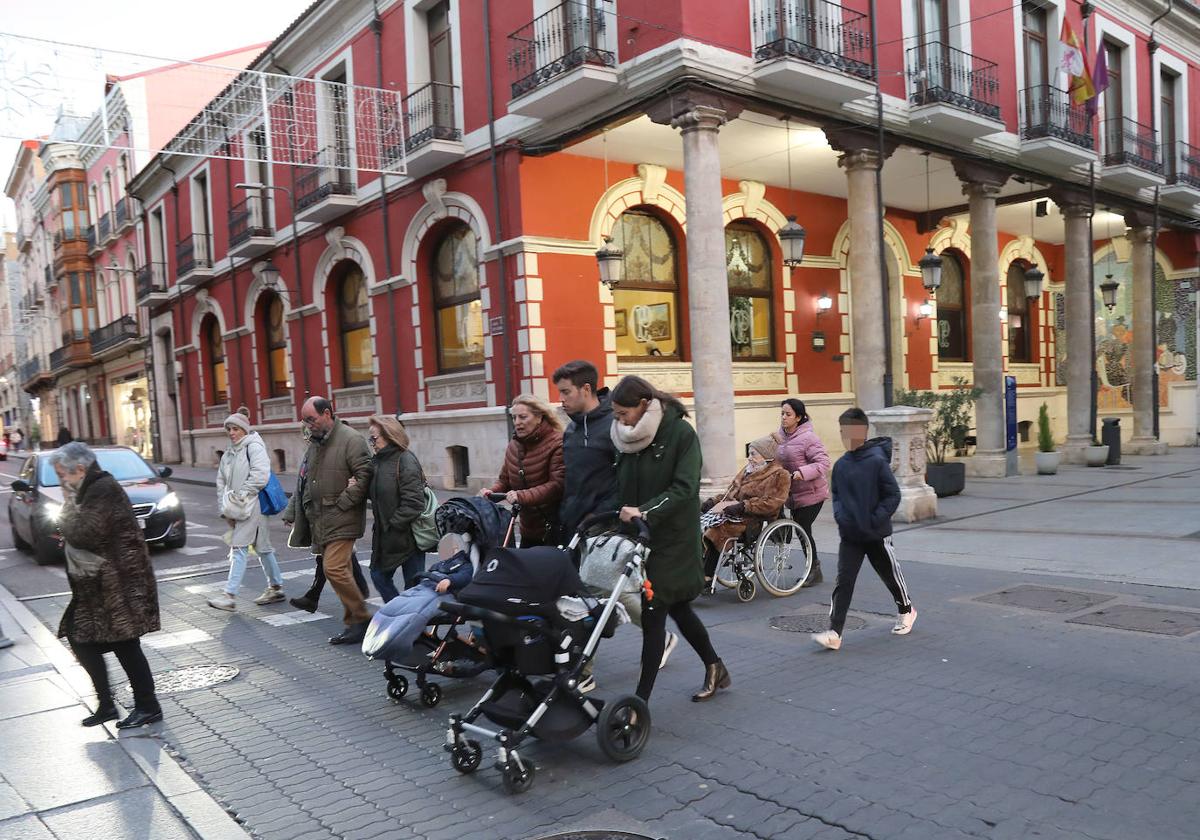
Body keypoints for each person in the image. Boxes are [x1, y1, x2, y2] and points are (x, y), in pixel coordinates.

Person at [610, 375, 728, 703]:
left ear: (644, 405)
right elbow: (617, 486)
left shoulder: (680, 434)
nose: (619, 421)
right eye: (615, 415)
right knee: (678, 609)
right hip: (640, 539)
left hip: (672, 540)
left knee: (653, 617)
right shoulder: (625, 438)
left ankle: (640, 703)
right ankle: (715, 665)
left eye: (624, 414)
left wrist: (644, 511)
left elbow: (685, 488)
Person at [52, 442, 163, 728]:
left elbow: (86, 532)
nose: (61, 480)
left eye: (62, 474)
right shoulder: (87, 489)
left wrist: (65, 510)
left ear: (79, 469)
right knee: (80, 637)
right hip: (98, 583)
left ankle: (148, 706)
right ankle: (107, 705)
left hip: (118, 581)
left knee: (125, 642)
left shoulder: (102, 488)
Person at [812, 408, 916, 652]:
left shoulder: (877, 462)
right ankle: (835, 633)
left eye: (849, 431)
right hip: (850, 536)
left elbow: (892, 495)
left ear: (862, 432)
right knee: (844, 581)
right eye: (842, 432)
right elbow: (836, 495)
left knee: (890, 575)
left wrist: (875, 519)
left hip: (876, 535)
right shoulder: (841, 466)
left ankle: (906, 609)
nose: (845, 436)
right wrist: (840, 516)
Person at [283, 397, 374, 645]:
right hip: (322, 518)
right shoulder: (315, 442)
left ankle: (362, 618)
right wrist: (293, 511)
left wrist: (344, 502)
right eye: (304, 420)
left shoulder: (351, 439)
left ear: (327, 413)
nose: (308, 425)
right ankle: (354, 622)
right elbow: (304, 482)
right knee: (339, 570)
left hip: (343, 517)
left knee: (332, 568)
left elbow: (365, 477)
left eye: (311, 419)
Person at [207, 411, 287, 611]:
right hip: (239, 507)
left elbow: (260, 476)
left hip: (253, 505)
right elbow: (221, 484)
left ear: (244, 429)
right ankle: (276, 586)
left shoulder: (253, 447)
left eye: (235, 429)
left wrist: (241, 496)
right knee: (262, 547)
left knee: (238, 547)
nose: (232, 433)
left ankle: (229, 595)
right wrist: (225, 509)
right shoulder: (228, 454)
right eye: (229, 429)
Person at [701, 435, 791, 581]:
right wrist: (713, 502)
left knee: (717, 530)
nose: (749, 458)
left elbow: (773, 502)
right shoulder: (747, 471)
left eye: (753, 454)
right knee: (700, 524)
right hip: (734, 513)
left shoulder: (780, 475)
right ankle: (698, 570)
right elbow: (729, 494)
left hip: (753, 520)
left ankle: (707, 576)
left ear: (766, 456)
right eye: (749, 454)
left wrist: (744, 506)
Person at [481, 394, 565, 548]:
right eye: (514, 418)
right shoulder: (514, 445)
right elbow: (505, 480)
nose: (517, 423)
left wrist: (521, 496)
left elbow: (557, 485)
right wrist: (490, 493)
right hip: (527, 530)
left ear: (539, 417)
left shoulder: (556, 443)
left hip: (553, 529)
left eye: (523, 417)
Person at [553, 360, 619, 546]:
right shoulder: (571, 429)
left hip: (604, 529)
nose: (561, 398)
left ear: (586, 389)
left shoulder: (614, 424)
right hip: (571, 527)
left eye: (566, 392)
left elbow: (626, 479)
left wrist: (598, 516)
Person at [362, 414, 427, 603]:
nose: (371, 442)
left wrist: (393, 525)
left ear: (389, 435)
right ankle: (401, 615)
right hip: (386, 537)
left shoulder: (405, 460)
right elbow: (378, 493)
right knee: (378, 576)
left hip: (408, 537)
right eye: (370, 438)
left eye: (374, 438)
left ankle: (412, 626)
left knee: (414, 588)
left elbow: (414, 502)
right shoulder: (377, 462)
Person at [775, 398, 831, 587]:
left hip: (812, 493)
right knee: (800, 530)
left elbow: (823, 463)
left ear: (798, 417)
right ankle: (814, 569)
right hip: (792, 494)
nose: (783, 417)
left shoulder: (809, 438)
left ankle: (814, 570)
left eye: (788, 414)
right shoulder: (779, 436)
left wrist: (802, 473)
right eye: (782, 413)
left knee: (803, 530)